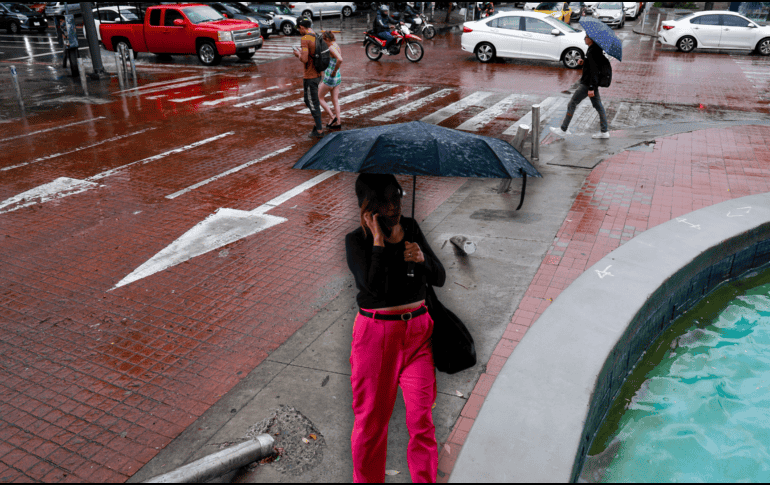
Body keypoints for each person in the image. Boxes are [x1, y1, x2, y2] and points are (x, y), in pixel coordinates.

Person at [345, 173, 446, 483]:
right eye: (385, 201)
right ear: (369, 206)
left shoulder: (412, 228)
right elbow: (372, 289)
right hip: (377, 338)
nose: (393, 206)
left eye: (397, 196)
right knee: (372, 424)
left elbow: (439, 276)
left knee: (421, 421)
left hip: (418, 334)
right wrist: (377, 242)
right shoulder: (356, 241)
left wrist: (423, 258)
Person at [550, 34, 610, 139]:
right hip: (590, 84)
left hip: (587, 84)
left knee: (572, 103)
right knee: (598, 106)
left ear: (591, 39)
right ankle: (604, 131)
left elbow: (594, 71)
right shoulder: (594, 49)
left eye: (586, 37)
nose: (584, 39)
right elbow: (592, 66)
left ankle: (563, 129)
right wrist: (584, 62)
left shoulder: (593, 52)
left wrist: (591, 87)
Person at [293, 17, 324, 138]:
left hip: (310, 76)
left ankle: (319, 129)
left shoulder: (305, 39)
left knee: (312, 101)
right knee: (308, 100)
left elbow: (305, 59)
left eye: (298, 28)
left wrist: (298, 54)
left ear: (301, 27)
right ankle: (318, 125)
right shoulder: (315, 35)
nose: (298, 31)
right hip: (317, 73)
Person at [318, 31, 343, 130]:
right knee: (335, 100)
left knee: (319, 97)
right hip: (337, 78)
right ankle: (338, 122)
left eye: (323, 40)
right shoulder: (336, 45)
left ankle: (332, 117)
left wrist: (333, 71)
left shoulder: (331, 48)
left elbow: (340, 59)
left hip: (330, 77)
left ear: (327, 39)